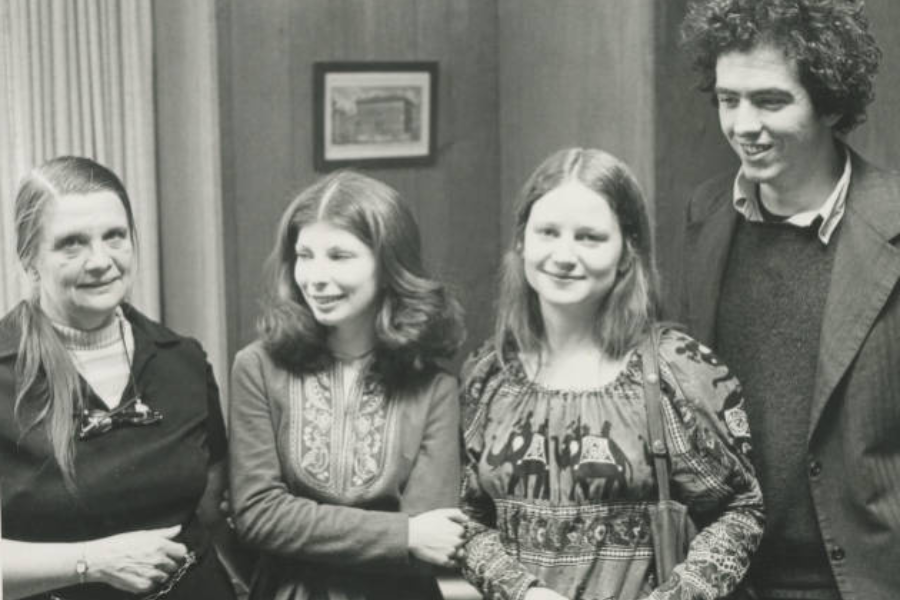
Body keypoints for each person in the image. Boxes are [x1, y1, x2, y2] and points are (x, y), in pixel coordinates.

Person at [458, 147, 763, 600]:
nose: (563, 255)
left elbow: (741, 511)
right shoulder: (490, 373)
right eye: (548, 233)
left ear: (627, 254)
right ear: (522, 242)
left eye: (589, 237)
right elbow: (469, 521)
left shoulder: (677, 371)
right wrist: (523, 592)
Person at [677, 2, 899, 599]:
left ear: (829, 103)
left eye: (771, 101)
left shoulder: (892, 226)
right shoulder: (706, 215)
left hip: (864, 581)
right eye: (729, 99)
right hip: (728, 578)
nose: (743, 124)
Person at [0, 156, 235, 600]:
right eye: (71, 243)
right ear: (29, 260)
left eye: (115, 237)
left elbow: (211, 509)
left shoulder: (182, 360)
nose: (100, 260)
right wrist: (92, 562)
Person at [228, 170, 468, 600]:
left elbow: (433, 540)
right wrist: (403, 533)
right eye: (305, 255)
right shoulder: (257, 368)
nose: (315, 277)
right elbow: (258, 514)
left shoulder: (436, 388)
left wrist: (306, 527)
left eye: (339, 256)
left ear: (388, 264)